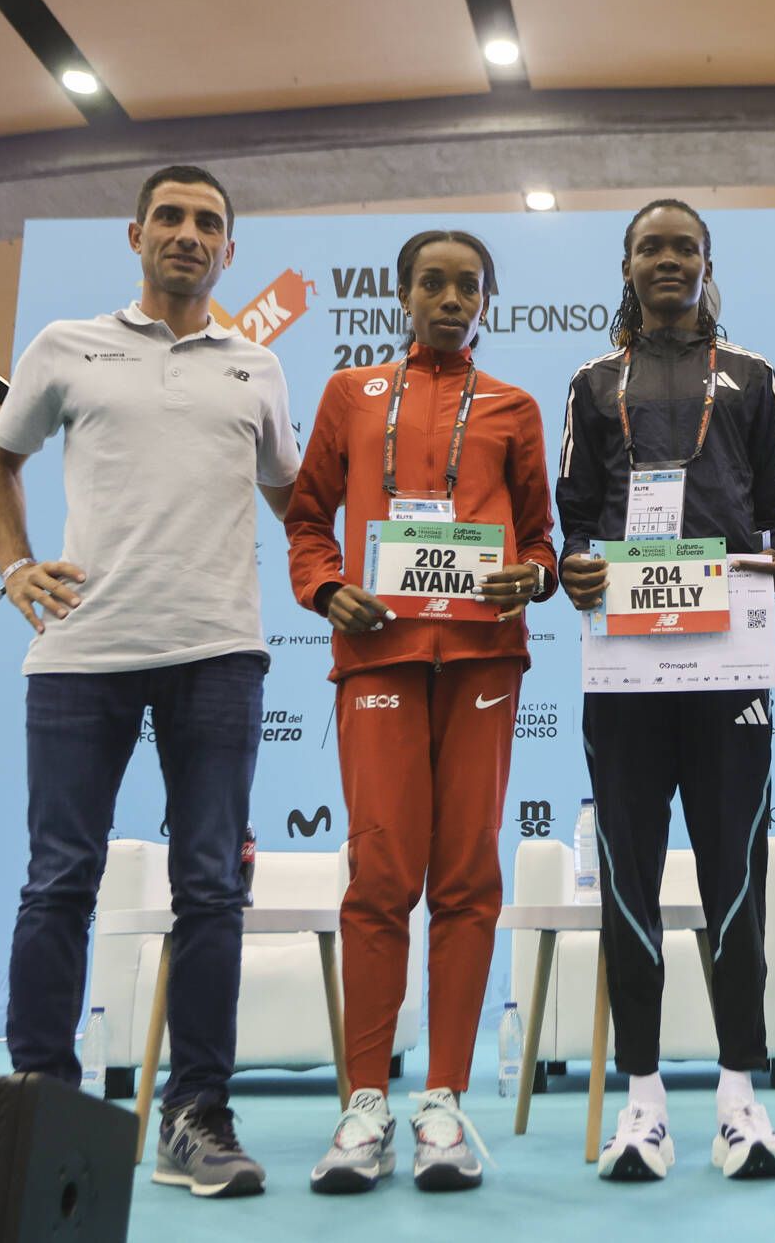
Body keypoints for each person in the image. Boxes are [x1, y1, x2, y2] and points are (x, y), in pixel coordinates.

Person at [0, 165, 295, 1199]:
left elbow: (296, 498)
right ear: (135, 234)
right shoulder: (66, 346)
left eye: (208, 222)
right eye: (170, 216)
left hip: (219, 651)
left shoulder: (257, 369)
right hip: (82, 652)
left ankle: (195, 1118)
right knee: (57, 880)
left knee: (211, 887)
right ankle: (39, 1105)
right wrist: (15, 567)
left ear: (228, 251)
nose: (188, 234)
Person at [286, 230, 557, 1193]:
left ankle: (443, 1100)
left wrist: (537, 575)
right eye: (433, 283)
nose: (451, 299)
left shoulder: (514, 406)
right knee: (380, 874)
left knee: (467, 876)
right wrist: (325, 590)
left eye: (468, 286)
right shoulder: (349, 395)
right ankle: (366, 1105)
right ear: (402, 294)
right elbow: (309, 513)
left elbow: (540, 541)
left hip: (484, 655)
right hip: (378, 656)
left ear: (487, 299)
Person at [556, 199, 775, 1183]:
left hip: (724, 665)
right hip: (625, 665)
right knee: (627, 880)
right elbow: (571, 519)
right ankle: (642, 1102)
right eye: (650, 246)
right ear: (626, 264)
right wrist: (573, 563)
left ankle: (740, 1098)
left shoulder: (750, 376)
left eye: (683, 247)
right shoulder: (588, 382)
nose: (667, 260)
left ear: (707, 264)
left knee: (733, 878)